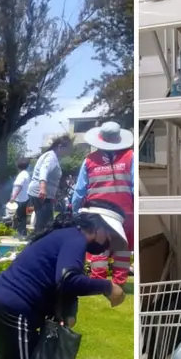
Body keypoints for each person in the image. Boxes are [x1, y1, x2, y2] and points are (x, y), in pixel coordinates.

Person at [0, 200, 128, 359]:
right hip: (12, 309)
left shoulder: (68, 236)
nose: (108, 243)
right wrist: (108, 287)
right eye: (109, 235)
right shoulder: (75, 240)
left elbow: (58, 281)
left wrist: (67, 312)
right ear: (97, 227)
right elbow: (68, 279)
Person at [71, 121, 135, 286]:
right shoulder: (130, 157)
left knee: (99, 245)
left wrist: (76, 212)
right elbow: (135, 187)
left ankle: (98, 281)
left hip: (97, 212)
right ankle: (119, 282)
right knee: (122, 246)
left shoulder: (89, 160)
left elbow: (79, 190)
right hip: (124, 212)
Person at [27, 134, 71, 234]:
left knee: (45, 222)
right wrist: (42, 188)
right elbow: (44, 169)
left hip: (44, 194)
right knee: (45, 223)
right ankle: (37, 244)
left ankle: (38, 243)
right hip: (40, 193)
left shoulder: (51, 156)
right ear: (60, 147)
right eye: (67, 149)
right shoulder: (51, 157)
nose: (68, 152)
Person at [9, 158, 32, 238]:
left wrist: (13, 197)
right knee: (23, 216)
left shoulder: (21, 175)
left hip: (20, 199)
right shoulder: (26, 174)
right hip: (25, 197)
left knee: (20, 216)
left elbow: (18, 186)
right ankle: (23, 232)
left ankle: (20, 233)